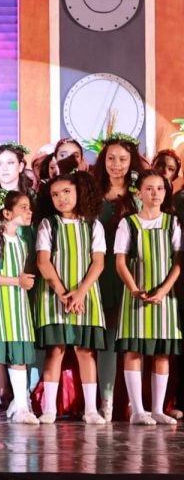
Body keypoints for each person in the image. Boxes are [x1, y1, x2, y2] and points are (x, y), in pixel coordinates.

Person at [34, 171, 107, 424]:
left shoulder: (93, 225)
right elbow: (43, 261)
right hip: (55, 296)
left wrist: (80, 292)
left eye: (66, 192)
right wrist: (63, 293)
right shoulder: (48, 224)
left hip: (85, 295)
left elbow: (98, 262)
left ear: (79, 192)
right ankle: (49, 409)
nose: (61, 198)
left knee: (85, 351)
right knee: (55, 350)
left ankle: (91, 410)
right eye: (55, 194)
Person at [114, 169, 182, 424]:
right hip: (136, 295)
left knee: (161, 353)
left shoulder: (172, 223)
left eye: (160, 188)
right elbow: (120, 262)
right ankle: (137, 411)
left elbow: (179, 261)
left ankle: (157, 409)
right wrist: (134, 288)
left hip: (165, 297)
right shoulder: (128, 223)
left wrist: (163, 290)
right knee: (134, 350)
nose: (155, 193)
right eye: (149, 188)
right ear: (139, 192)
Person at [92, 133, 144, 421]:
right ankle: (107, 401)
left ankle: (136, 404)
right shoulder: (92, 193)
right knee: (107, 337)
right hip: (100, 271)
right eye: (111, 158)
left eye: (123, 159)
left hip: (132, 272)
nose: (116, 164)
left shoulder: (139, 195)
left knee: (133, 338)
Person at [0, 190, 38, 424]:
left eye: (29, 207)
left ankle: (22, 408)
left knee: (18, 359)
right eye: (23, 207)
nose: (29, 212)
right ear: (7, 213)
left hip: (17, 309)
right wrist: (16, 281)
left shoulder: (22, 243)